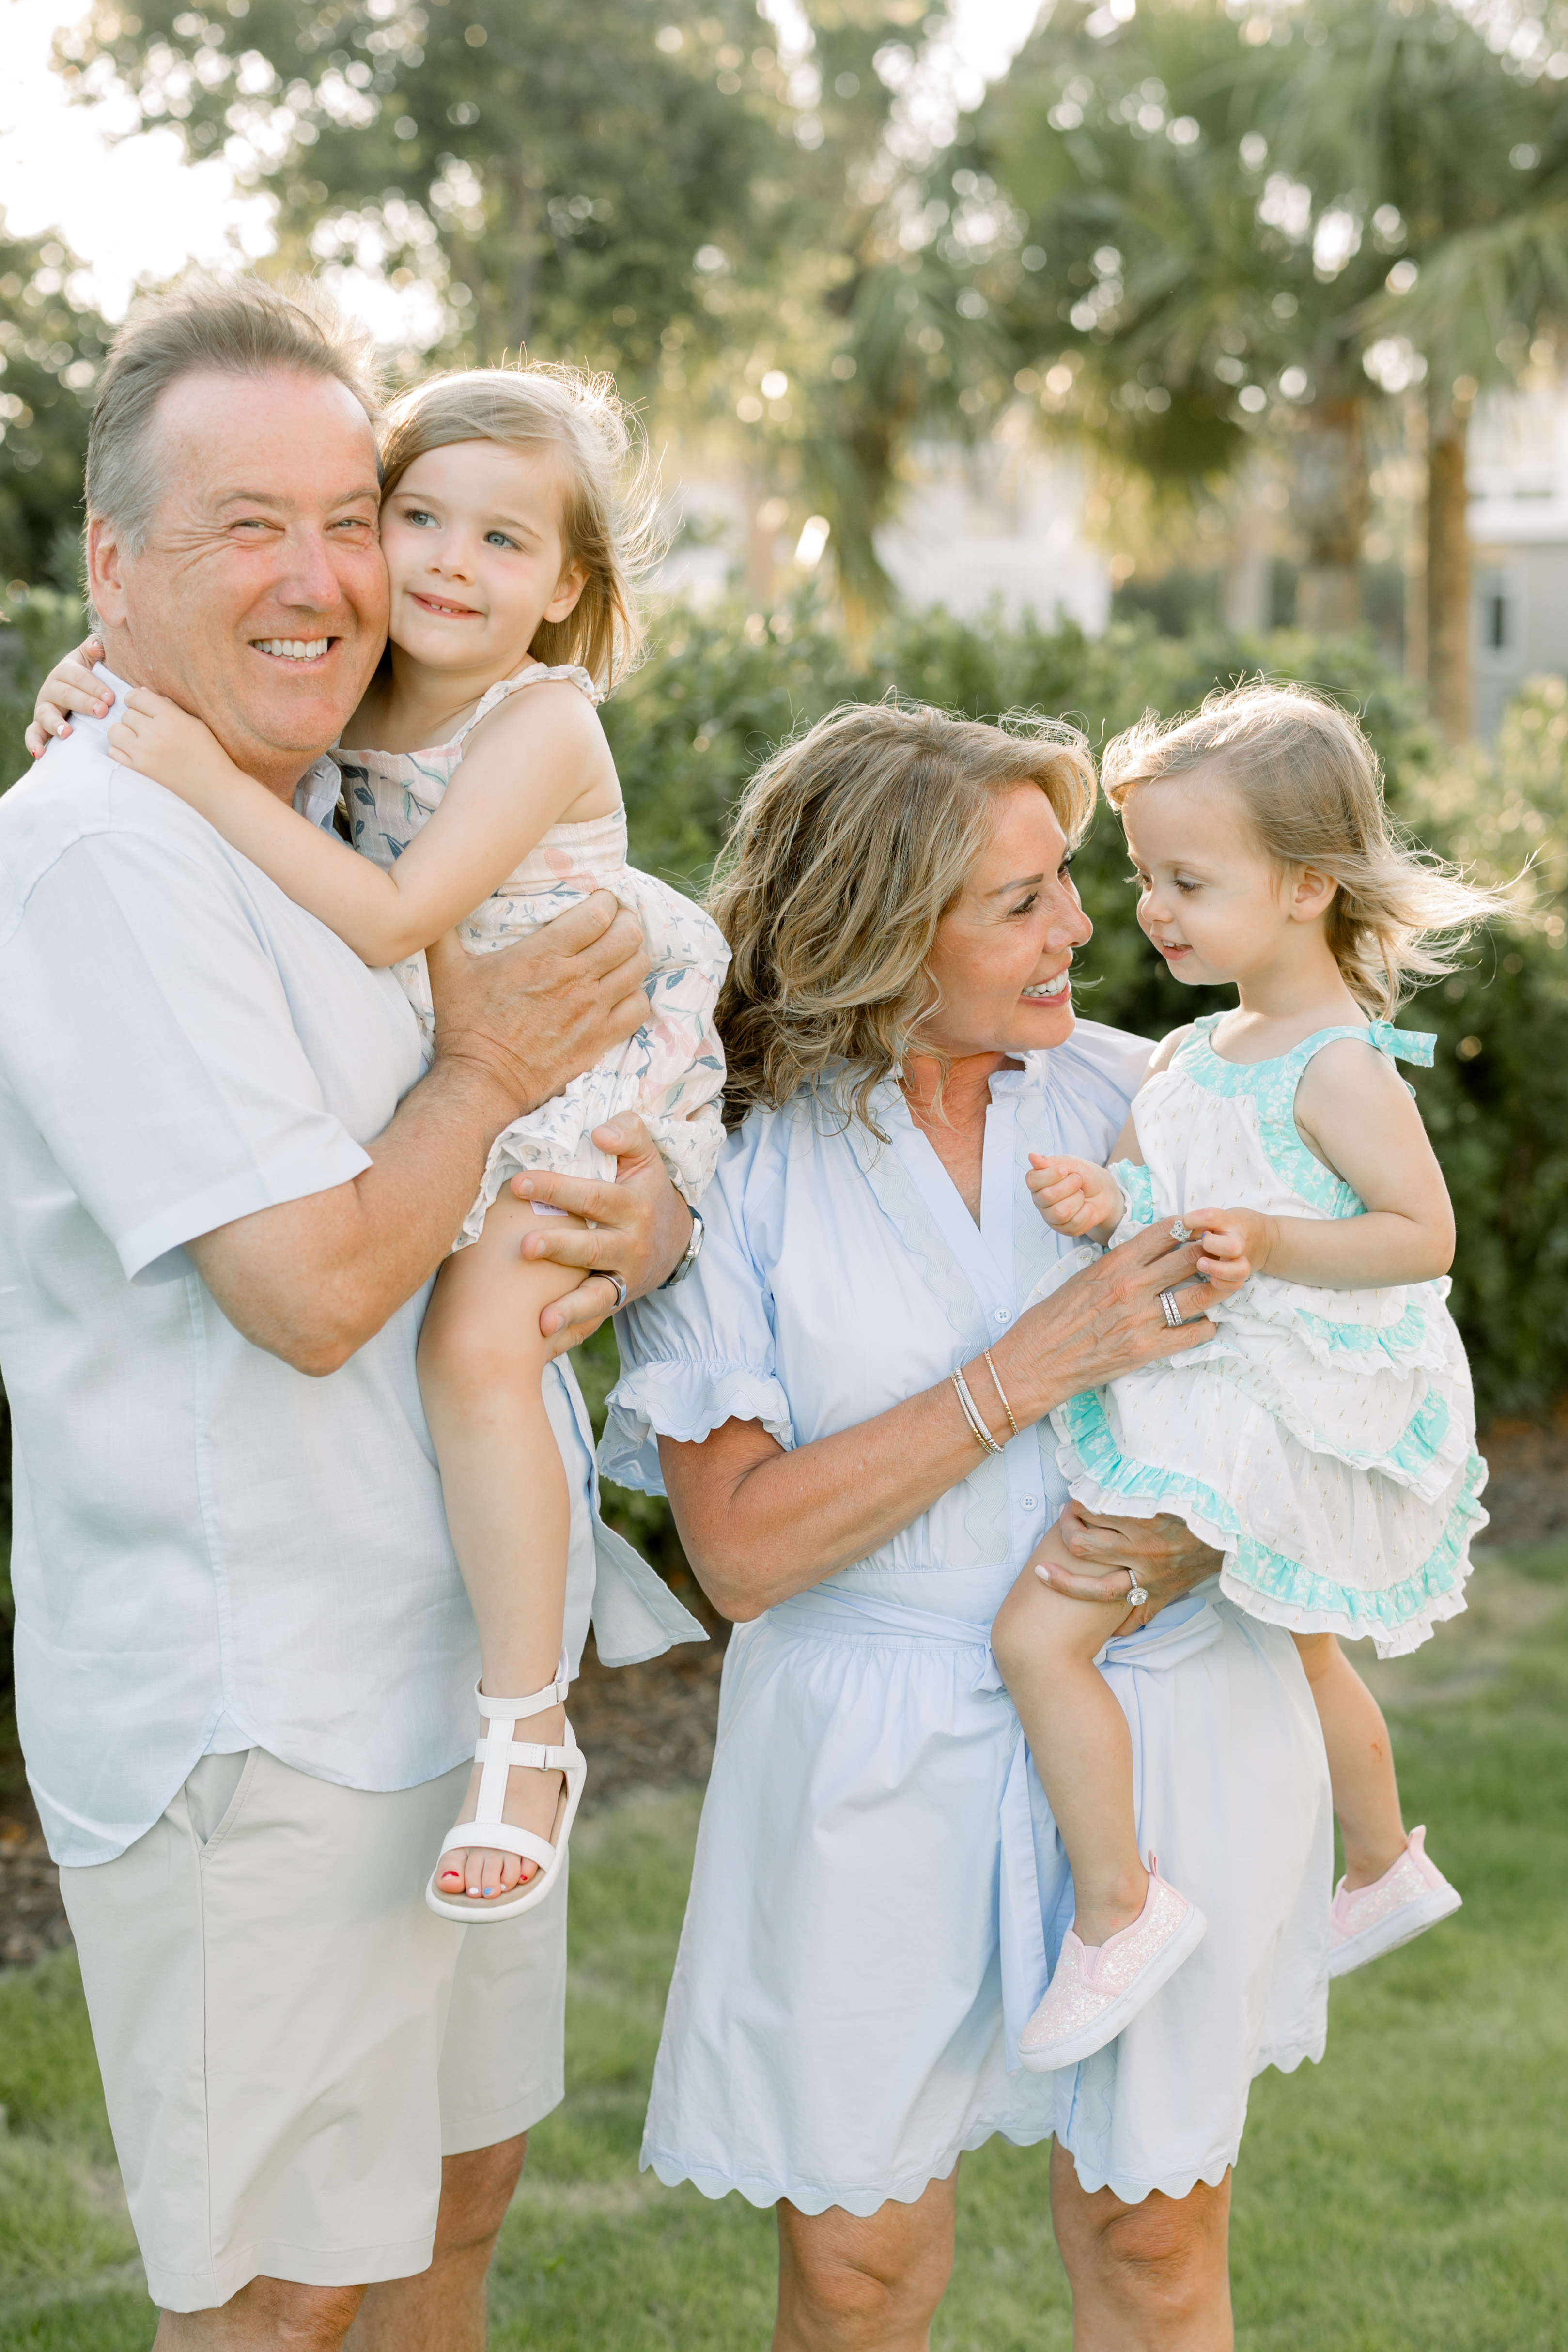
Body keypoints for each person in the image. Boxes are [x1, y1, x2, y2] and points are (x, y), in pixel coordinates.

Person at [0, 274, 699, 2349]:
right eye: (248, 526)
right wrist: (488, 1073)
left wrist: (629, 1219)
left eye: (353, 513)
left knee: (447, 2221)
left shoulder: (350, 798)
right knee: (286, 2294)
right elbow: (313, 1292)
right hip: (260, 1707)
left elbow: (514, 1165)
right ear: (111, 566)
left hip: (456, 1696)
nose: (326, 577)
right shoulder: (99, 854)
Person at [601, 698, 1335, 2352]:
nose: (1085, 922)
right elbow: (743, 1552)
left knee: (1156, 2255)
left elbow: (1341, 1413)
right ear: (879, 930)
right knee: (857, 2280)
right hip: (859, 1745)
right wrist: (1024, 1371)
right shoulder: (726, 1167)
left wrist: (1203, 1542)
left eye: (1068, 877)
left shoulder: (1168, 1103)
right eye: (1021, 900)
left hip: (1157, 1715)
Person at [33, 361, 727, 1920]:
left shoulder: (537, 720)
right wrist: (92, 692)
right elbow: (214, 688)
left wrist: (195, 770)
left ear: (565, 589)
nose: (440, 565)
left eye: (501, 543)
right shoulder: (351, 693)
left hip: (582, 1056)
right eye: (411, 518)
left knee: (478, 1346)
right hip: (488, 1065)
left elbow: (399, 917)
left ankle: (530, 1728)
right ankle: (520, 1700)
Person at [993, 684, 1496, 2071]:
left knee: (1041, 1637)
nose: (1151, 908)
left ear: (1305, 887)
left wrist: (1269, 1240)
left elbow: (1421, 1235)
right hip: (1225, 1375)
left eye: (1188, 882)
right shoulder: (1199, 1052)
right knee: (1302, 1637)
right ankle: (1384, 1859)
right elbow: (1193, 1196)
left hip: (1272, 1395)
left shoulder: (1339, 1068)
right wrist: (1117, 1202)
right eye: (1147, 875)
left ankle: (1121, 1909)